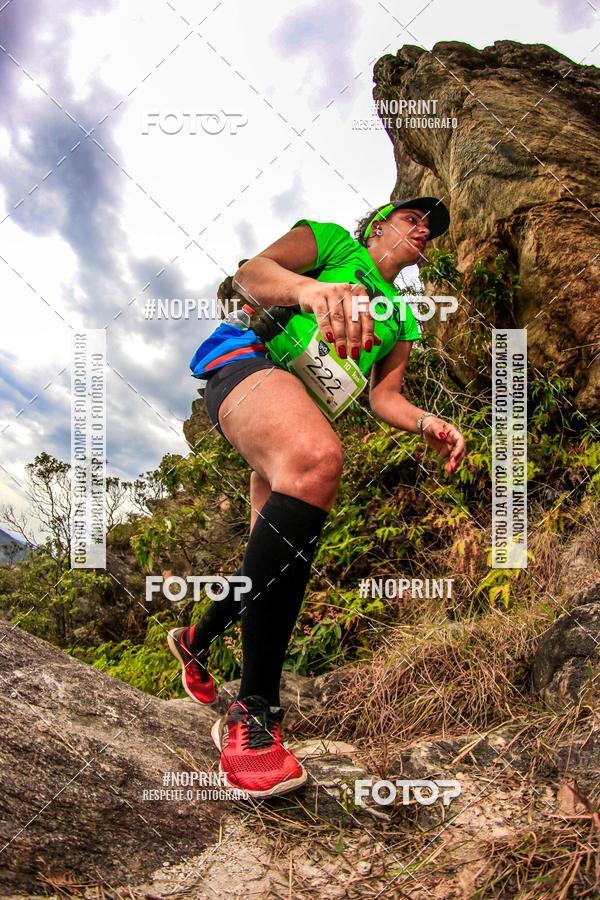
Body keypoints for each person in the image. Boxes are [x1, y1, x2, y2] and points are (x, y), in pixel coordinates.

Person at [168, 197, 466, 798]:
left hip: (295, 410)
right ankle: (252, 719)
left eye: (431, 229)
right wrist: (308, 291)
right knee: (320, 459)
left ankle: (194, 641)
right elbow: (250, 276)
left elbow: (385, 399)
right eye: (414, 218)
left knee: (270, 565)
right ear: (380, 223)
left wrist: (428, 422)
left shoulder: (403, 319)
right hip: (247, 366)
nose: (424, 230)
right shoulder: (333, 243)